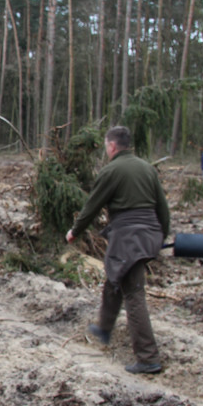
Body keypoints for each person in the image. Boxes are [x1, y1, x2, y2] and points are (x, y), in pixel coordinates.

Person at [66, 125, 170, 375]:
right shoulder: (147, 168)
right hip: (148, 233)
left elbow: (92, 206)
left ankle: (148, 357)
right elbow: (163, 209)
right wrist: (161, 237)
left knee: (133, 293)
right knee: (115, 278)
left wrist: (75, 231)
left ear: (112, 146)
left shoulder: (111, 170)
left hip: (128, 236)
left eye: (106, 146)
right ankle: (104, 327)